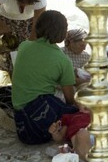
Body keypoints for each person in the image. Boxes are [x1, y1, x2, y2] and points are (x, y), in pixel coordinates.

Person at [9, 10, 79, 144]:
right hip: (38, 129)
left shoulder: (24, 46)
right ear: (63, 33)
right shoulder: (63, 61)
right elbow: (69, 98)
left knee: (48, 100)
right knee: (80, 114)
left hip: (21, 119)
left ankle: (14, 124)